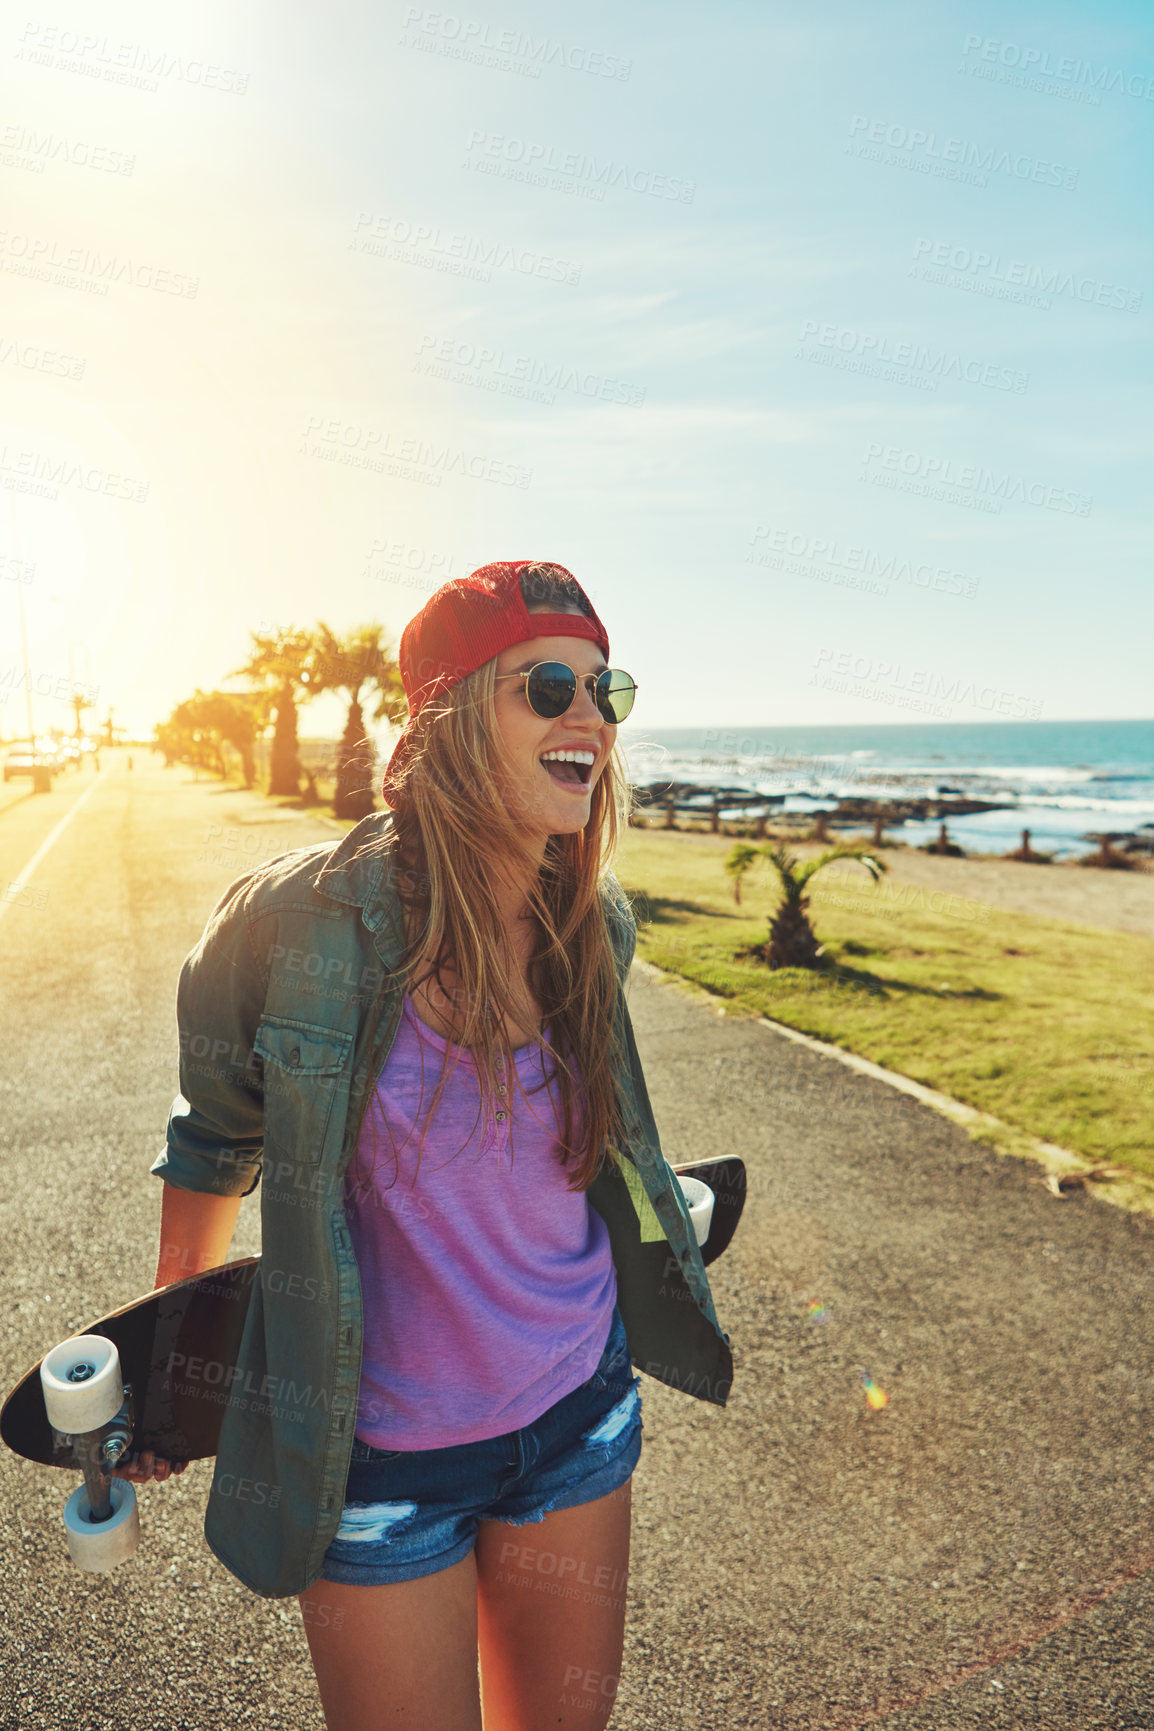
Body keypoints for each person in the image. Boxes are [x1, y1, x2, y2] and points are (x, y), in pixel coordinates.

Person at [128, 560, 734, 1730]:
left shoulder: (592, 920)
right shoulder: (289, 927)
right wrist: (171, 1367)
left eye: (605, 691)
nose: (586, 717)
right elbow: (214, 1144)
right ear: (450, 718)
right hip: (378, 1461)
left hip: (578, 1416)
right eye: (546, 684)